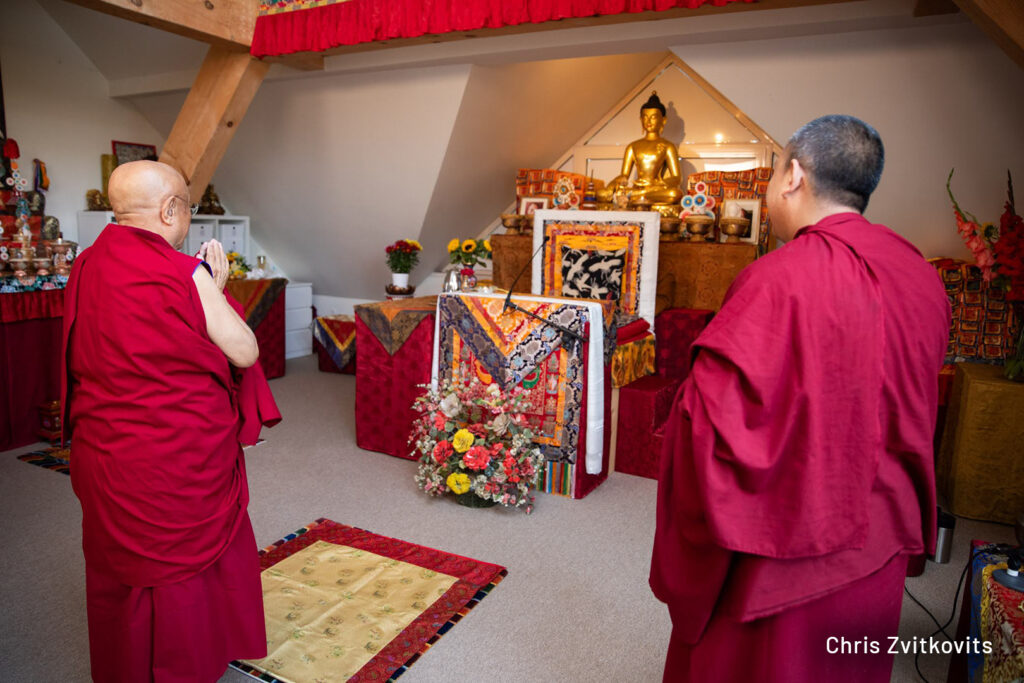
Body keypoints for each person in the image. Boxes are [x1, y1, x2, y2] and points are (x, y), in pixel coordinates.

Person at [650, 115, 950, 682]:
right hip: (883, 529)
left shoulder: (775, 278)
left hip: (784, 537)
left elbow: (709, 424)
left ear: (792, 176)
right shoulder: (920, 274)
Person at [62, 160, 279, 682]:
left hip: (106, 449)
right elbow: (245, 351)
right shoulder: (183, 272)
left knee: (124, 568)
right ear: (169, 210)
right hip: (174, 454)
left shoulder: (84, 266)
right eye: (188, 208)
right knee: (183, 570)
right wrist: (215, 289)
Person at [596, 92, 683, 207]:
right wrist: (610, 187)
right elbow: (624, 176)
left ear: (663, 120)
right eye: (645, 117)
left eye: (653, 117)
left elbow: (677, 178)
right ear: (640, 119)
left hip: (655, 189)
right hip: (637, 189)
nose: (648, 121)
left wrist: (658, 185)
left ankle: (637, 197)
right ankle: (638, 196)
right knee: (603, 194)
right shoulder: (633, 146)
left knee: (674, 194)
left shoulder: (668, 146)